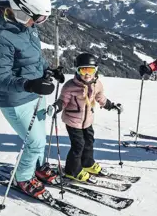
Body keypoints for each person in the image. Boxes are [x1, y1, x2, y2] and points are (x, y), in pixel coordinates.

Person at [0, 0, 65, 200]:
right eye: (38, 17)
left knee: (40, 137)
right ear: (21, 10)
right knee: (35, 141)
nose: (40, 22)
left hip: (35, 94)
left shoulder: (27, 27)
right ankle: (24, 177)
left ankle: (38, 166)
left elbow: (34, 59)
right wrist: (28, 84)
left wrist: (49, 70)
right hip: (15, 99)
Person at [51, 53, 123, 182]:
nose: (87, 74)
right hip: (73, 121)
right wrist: (56, 107)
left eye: (90, 70)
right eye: (83, 70)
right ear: (77, 70)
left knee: (89, 141)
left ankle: (87, 163)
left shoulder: (97, 84)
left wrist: (111, 106)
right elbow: (63, 101)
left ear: (95, 70)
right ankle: (72, 170)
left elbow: (100, 98)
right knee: (78, 145)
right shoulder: (70, 86)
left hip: (87, 120)